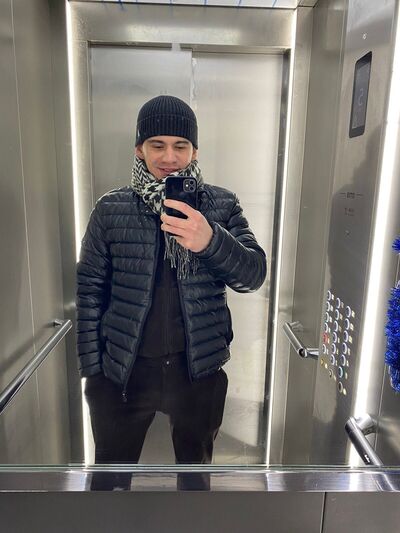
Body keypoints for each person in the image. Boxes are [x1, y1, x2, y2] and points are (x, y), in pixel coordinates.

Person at [76, 95, 267, 490]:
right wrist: (94, 373)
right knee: (109, 482)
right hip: (123, 374)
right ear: (139, 149)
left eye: (181, 145)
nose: (169, 157)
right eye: (157, 145)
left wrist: (210, 240)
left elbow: (253, 275)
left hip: (197, 373)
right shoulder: (111, 209)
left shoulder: (221, 205)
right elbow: (89, 290)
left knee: (195, 483)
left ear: (195, 150)